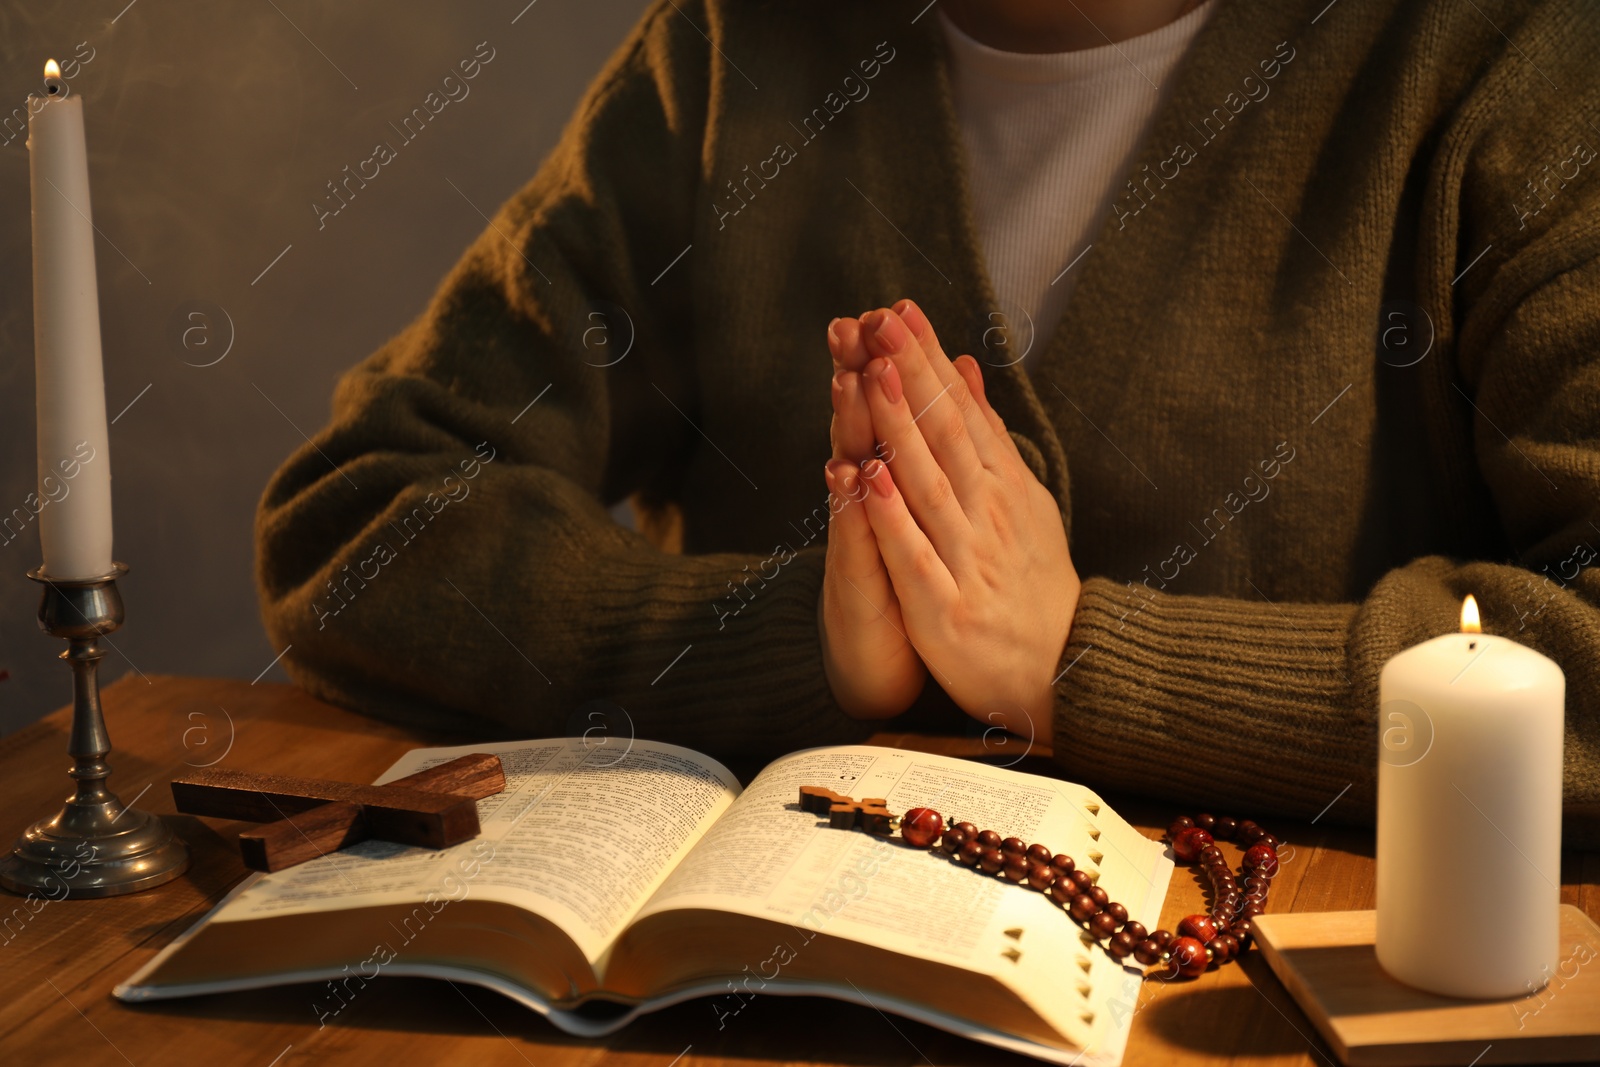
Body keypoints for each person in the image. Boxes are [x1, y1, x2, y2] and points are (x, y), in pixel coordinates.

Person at [255, 0, 1600, 843]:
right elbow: (357, 520)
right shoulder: (731, 52)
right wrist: (788, 647)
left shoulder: (1505, 65)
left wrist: (1083, 659)